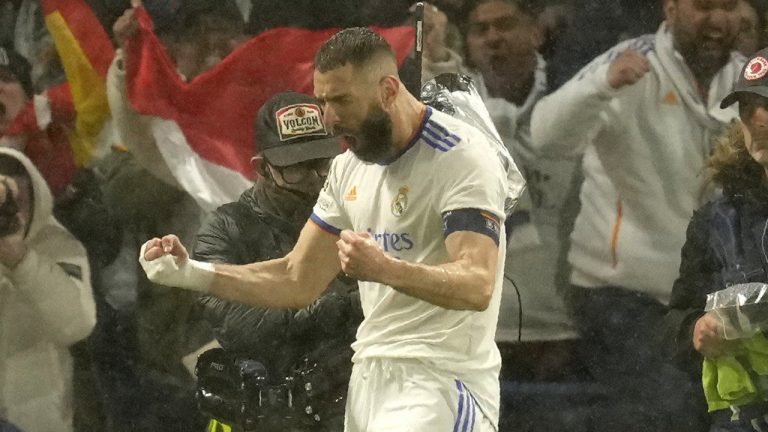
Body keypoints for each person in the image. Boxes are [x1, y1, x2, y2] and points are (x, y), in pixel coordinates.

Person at [141, 27, 513, 431]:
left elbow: (477, 283)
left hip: (440, 379)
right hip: (368, 378)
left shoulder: (460, 157)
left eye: (341, 101)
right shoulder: (349, 167)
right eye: (322, 101)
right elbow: (295, 278)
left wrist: (384, 269)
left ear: (389, 90)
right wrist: (190, 273)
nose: (330, 119)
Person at [530, 0, 744, 430]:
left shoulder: (746, 78)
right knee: (673, 409)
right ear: (670, 10)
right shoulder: (631, 62)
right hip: (622, 296)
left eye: (728, 6)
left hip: (712, 294)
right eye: (704, 6)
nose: (717, 19)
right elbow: (545, 135)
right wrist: (601, 87)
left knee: (738, 405)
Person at [193, 91, 359, 431]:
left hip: (354, 401)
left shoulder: (356, 211)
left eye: (323, 162)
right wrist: (334, 308)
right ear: (262, 168)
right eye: (296, 167)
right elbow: (242, 327)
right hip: (270, 411)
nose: (315, 178)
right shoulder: (226, 229)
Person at [464, 0, 582, 377]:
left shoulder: (579, 98)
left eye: (505, 25)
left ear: (536, 32)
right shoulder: (446, 113)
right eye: (481, 30)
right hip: (474, 329)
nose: (493, 38)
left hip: (565, 324)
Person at [663, 46, 768, 432]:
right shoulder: (717, 220)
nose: (756, 119)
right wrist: (696, 331)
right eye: (747, 106)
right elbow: (677, 316)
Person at [0, 147, 96, 431]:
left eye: (20, 199)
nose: (13, 210)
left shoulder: (58, 245)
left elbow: (77, 325)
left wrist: (21, 260)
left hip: (34, 411)